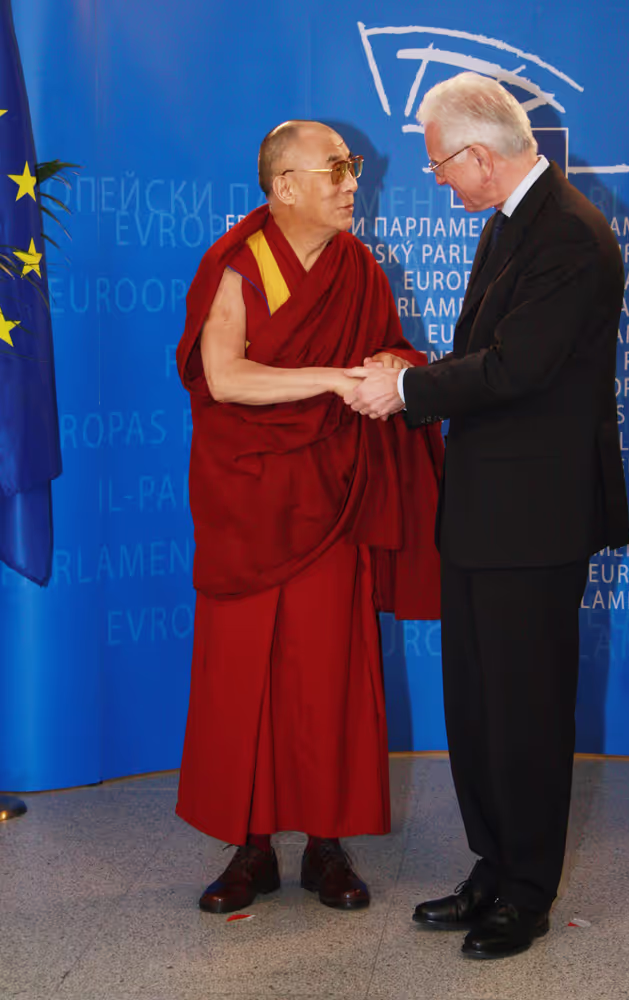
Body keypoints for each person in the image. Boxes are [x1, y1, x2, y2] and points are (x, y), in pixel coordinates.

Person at [346, 73, 629, 958]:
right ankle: (492, 864)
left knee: (527, 710)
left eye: (439, 165)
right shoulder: (511, 224)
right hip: (483, 510)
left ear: (479, 155)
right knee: (476, 706)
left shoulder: (570, 235)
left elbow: (516, 372)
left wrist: (405, 390)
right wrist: (415, 367)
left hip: (535, 519)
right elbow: (485, 355)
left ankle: (529, 890)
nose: (437, 179)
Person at [175, 120, 442, 915]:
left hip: (333, 495)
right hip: (251, 499)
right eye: (334, 169)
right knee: (243, 677)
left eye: (352, 167)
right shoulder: (237, 261)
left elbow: (388, 347)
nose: (351, 181)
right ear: (284, 184)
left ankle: (327, 843)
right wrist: (334, 380)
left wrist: (396, 364)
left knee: (331, 671)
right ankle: (248, 847)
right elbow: (224, 377)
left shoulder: (360, 266)